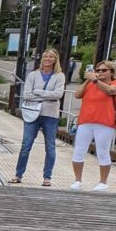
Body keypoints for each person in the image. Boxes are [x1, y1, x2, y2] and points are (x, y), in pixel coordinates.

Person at [15, 48, 67, 185]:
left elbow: (58, 95)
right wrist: (46, 96)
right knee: (26, 145)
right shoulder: (33, 75)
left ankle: (47, 177)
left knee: (50, 146)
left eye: (51, 57)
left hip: (50, 115)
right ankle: (18, 175)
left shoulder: (59, 76)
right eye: (45, 56)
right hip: (32, 113)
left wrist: (38, 93)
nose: (48, 59)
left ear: (55, 60)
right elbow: (27, 94)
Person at [70, 61, 116, 191]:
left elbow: (111, 91)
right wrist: (88, 81)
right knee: (79, 150)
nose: (100, 72)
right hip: (85, 121)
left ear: (111, 72)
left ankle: (103, 182)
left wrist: (95, 81)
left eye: (104, 70)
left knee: (103, 152)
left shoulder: (115, 84)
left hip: (105, 122)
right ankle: (77, 180)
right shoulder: (91, 84)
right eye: (98, 70)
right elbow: (77, 95)